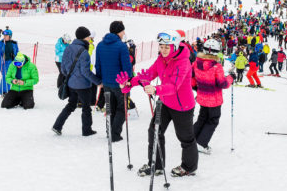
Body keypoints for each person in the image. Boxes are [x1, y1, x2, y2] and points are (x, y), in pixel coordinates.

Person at [121, 29, 198, 178]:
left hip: (182, 106)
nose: (163, 50)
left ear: (175, 46)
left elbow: (174, 87)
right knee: (154, 131)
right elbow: (148, 74)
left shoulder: (183, 63)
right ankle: (155, 165)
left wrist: (156, 89)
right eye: (161, 47)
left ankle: (189, 167)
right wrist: (130, 82)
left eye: (167, 47)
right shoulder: (161, 59)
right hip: (164, 101)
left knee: (185, 137)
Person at [53, 27, 102, 135]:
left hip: (71, 84)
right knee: (86, 108)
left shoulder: (68, 48)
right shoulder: (84, 52)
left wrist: (70, 78)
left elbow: (63, 69)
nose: (90, 38)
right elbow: (85, 72)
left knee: (71, 105)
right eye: (89, 36)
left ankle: (57, 126)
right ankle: (87, 130)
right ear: (85, 37)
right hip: (83, 86)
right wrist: (98, 81)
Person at [192, 39, 234, 154]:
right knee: (212, 120)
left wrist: (196, 87)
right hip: (214, 99)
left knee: (202, 118)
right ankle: (201, 143)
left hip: (202, 96)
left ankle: (193, 139)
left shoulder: (196, 62)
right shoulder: (216, 66)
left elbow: (192, 77)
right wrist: (231, 78)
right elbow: (222, 84)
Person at [95, 21, 133, 142]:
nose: (124, 33)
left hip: (106, 83)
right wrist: (129, 80)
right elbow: (127, 66)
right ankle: (114, 134)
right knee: (122, 109)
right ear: (118, 32)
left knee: (110, 108)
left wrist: (101, 78)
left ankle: (109, 132)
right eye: (122, 31)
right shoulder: (121, 46)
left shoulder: (100, 45)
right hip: (120, 84)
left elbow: (98, 65)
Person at [0, 27, 19, 95]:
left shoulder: (14, 43)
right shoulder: (0, 44)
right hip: (3, 63)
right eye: (4, 35)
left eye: (6, 35)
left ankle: (10, 90)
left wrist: (18, 62)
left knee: (11, 77)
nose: (5, 37)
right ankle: (4, 91)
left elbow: (17, 53)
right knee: (5, 76)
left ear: (10, 36)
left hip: (12, 63)